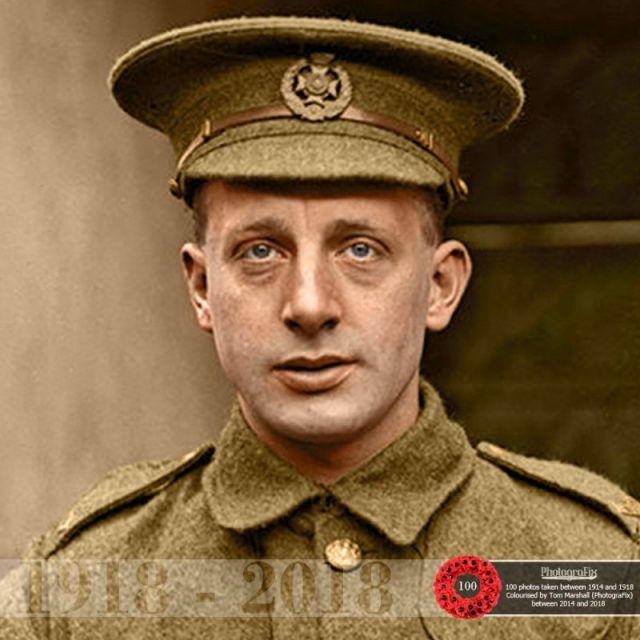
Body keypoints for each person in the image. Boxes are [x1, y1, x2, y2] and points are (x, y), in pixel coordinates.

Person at [1, 15, 638, 639]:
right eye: (260, 251)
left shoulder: (590, 573)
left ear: (440, 287)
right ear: (201, 289)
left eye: (360, 249)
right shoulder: (78, 593)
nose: (309, 304)